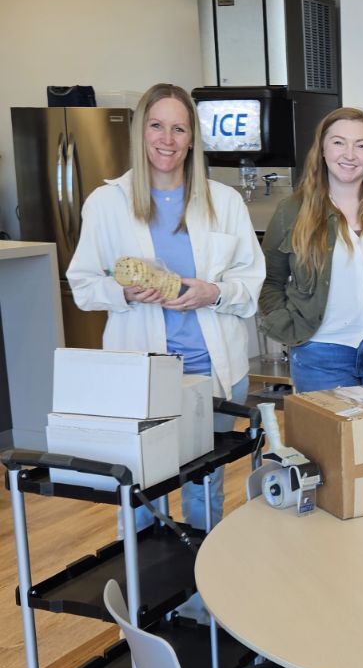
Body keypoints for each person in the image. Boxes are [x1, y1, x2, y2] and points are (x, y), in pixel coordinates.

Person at [67, 82, 265, 527]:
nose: (167, 140)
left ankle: (198, 593)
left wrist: (212, 292)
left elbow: (251, 278)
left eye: (179, 129)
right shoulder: (108, 203)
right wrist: (124, 292)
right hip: (141, 375)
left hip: (212, 371)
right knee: (138, 488)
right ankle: (142, 591)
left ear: (192, 137)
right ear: (140, 131)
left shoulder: (224, 202)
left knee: (205, 485)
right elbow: (82, 285)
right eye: (157, 126)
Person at [258, 106, 363, 391]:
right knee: (328, 437)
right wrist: (292, 332)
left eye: (361, 145)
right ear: (322, 149)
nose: (349, 155)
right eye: (338, 142)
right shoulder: (292, 211)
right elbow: (270, 280)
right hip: (320, 356)